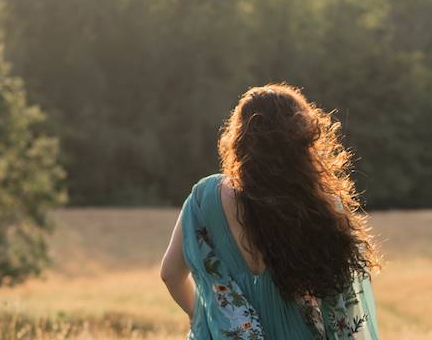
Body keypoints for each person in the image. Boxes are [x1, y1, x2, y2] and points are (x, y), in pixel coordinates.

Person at [160, 82, 381, 339]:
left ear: (239, 137)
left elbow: (170, 274)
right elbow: (341, 301)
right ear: (300, 139)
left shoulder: (204, 197)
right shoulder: (317, 205)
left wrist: (202, 317)